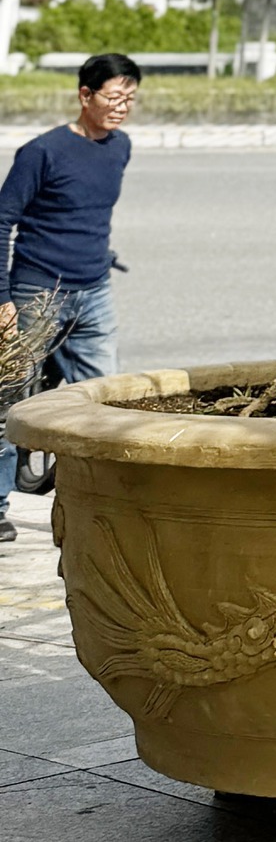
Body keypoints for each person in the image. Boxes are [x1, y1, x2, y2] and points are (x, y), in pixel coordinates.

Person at [0, 50, 141, 540]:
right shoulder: (42, 152)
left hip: (94, 292)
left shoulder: (120, 147)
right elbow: (2, 221)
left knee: (105, 402)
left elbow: (87, 214)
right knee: (9, 401)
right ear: (85, 95)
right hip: (37, 294)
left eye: (130, 99)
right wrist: (3, 299)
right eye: (114, 97)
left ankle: (101, 505)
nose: (122, 107)